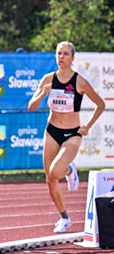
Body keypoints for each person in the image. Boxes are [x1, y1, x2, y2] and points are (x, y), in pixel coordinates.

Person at [28, 41, 105, 233]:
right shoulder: (48, 79)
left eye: (65, 54)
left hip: (72, 134)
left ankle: (69, 170)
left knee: (55, 172)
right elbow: (31, 106)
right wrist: (41, 95)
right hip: (52, 131)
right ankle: (64, 217)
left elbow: (100, 104)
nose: (61, 57)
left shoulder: (79, 81)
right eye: (58, 53)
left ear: (72, 58)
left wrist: (88, 125)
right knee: (50, 178)